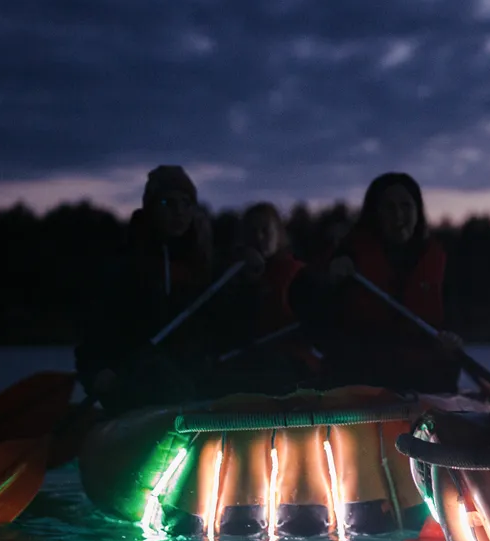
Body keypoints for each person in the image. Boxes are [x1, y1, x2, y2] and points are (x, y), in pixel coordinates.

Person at [289, 172, 465, 394]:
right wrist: (328, 278)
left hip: (422, 382)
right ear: (375, 213)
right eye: (389, 208)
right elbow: (301, 296)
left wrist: (452, 342)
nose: (398, 215)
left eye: (405, 206)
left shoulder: (438, 259)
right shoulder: (349, 254)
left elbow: (452, 321)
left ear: (417, 211)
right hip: (361, 378)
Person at [74, 165, 216, 415]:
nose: (179, 212)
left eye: (186, 203)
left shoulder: (205, 266)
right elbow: (96, 330)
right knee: (158, 373)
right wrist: (95, 372)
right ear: (150, 208)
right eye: (167, 202)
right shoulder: (125, 265)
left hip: (192, 378)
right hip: (137, 378)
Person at [204, 202, 321, 395]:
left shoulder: (300, 276)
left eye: (265, 230)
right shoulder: (233, 277)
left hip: (293, 362)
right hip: (250, 359)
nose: (259, 237)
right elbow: (232, 329)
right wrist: (249, 283)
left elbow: (316, 325)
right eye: (252, 232)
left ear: (279, 234)